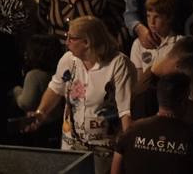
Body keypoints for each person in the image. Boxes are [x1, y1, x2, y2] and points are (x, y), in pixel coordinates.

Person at [26, 15, 134, 169]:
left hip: (103, 149)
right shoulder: (68, 60)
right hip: (71, 147)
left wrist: (126, 152)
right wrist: (40, 113)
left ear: (87, 42)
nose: (66, 42)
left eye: (71, 38)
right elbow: (55, 88)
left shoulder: (118, 64)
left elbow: (125, 111)